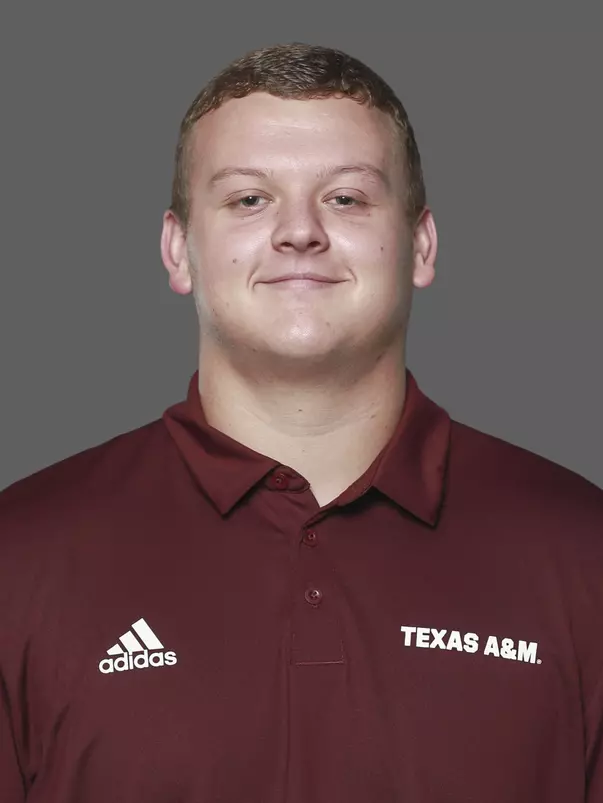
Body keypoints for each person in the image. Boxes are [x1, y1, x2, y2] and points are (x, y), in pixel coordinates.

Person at [0, 41, 602, 803]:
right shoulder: (19, 553)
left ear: (420, 245)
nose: (299, 231)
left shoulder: (582, 549)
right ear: (178, 250)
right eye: (249, 199)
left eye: (345, 198)